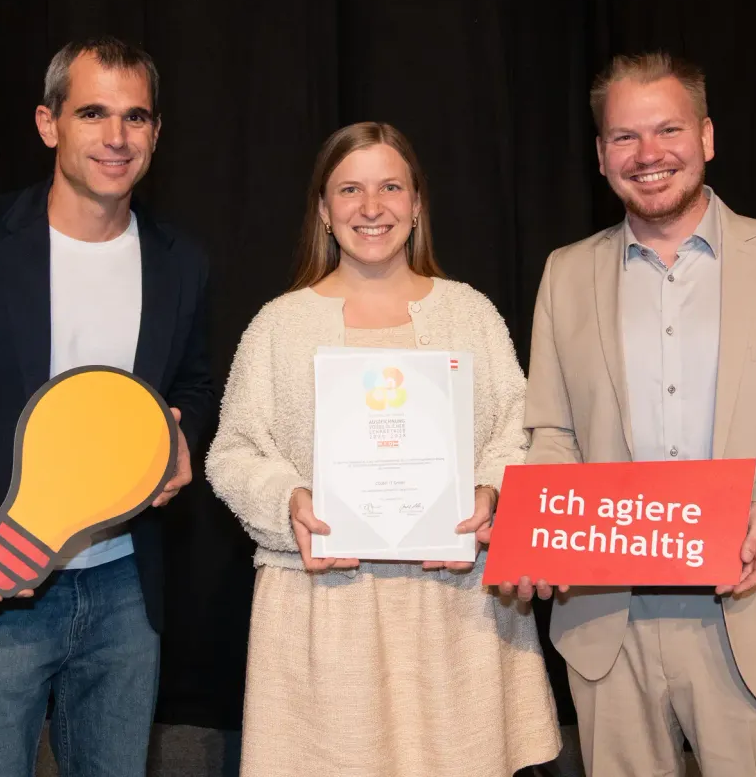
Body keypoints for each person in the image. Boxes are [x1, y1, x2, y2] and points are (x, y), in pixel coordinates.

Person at [504, 52, 756, 776]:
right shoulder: (565, 273)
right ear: (599, 154)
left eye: (668, 130)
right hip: (607, 625)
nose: (649, 155)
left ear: (707, 138)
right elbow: (552, 431)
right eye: (624, 137)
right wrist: (543, 535)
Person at [0, 36, 215, 777]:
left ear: (156, 133)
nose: (116, 138)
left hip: (126, 589)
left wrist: (182, 436)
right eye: (93, 113)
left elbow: (194, 384)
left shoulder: (183, 262)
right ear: (48, 123)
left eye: (136, 117)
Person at [204, 121, 562, 777]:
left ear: (418, 202)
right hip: (324, 614)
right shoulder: (279, 325)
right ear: (323, 209)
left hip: (454, 614)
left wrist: (489, 492)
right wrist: (288, 502)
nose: (372, 208)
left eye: (391, 186)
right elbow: (233, 451)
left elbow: (520, 431)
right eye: (350, 190)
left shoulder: (470, 315)